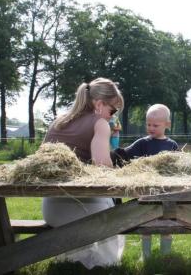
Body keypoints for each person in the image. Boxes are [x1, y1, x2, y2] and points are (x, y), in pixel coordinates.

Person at [42, 77, 125, 269]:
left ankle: (70, 263)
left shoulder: (59, 121)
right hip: (85, 210)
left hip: (51, 210)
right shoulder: (99, 124)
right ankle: (108, 266)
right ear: (98, 104)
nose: (112, 116)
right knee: (116, 214)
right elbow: (102, 167)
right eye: (112, 110)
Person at [122, 104, 178, 259]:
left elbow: (178, 167)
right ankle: (145, 255)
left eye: (155, 125)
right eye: (148, 124)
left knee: (167, 223)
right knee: (146, 222)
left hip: (167, 192)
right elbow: (125, 155)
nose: (151, 128)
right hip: (146, 192)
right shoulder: (142, 143)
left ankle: (165, 256)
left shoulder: (172, 145)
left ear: (167, 125)